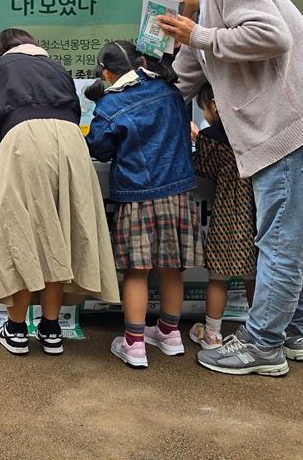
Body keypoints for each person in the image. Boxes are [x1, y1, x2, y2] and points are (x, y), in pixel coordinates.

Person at [131, 0, 303, 376]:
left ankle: (264, 345)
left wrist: (199, 35)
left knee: (282, 245)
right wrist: (134, 93)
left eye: (154, 5)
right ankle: (292, 334)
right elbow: (181, 87)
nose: (159, 15)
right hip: (289, 135)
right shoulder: (202, 26)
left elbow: (272, 36)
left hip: (292, 134)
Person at [0, 28, 118, 357]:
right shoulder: (58, 69)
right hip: (71, 144)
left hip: (24, 144)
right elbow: (74, 112)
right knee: (59, 235)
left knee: (23, 235)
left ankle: (17, 329)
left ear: (0, 51)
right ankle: (51, 330)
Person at [86, 41, 202, 369]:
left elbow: (99, 147)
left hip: (138, 194)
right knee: (171, 266)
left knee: (137, 272)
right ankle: (169, 333)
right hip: (178, 191)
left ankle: (135, 344)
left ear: (107, 73)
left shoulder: (111, 103)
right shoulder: (168, 90)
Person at [189, 85, 257, 350]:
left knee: (218, 277)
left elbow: (203, 168)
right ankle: (256, 331)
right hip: (260, 213)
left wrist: (198, 141)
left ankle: (212, 334)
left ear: (215, 106)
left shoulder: (212, 136)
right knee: (255, 277)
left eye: (204, 108)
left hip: (230, 215)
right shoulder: (255, 133)